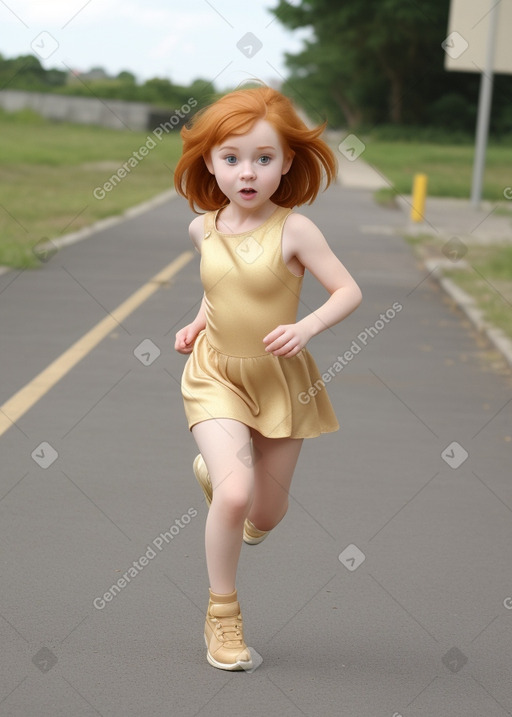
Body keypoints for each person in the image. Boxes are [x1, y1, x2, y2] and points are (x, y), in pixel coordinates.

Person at [173, 86, 362, 671]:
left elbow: (349, 291)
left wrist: (306, 328)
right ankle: (222, 617)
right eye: (232, 159)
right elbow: (218, 288)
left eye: (263, 158)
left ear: (286, 163)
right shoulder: (202, 230)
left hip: (282, 379)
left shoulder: (296, 231)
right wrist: (197, 321)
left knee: (265, 515)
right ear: (210, 162)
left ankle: (227, 483)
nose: (247, 173)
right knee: (233, 494)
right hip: (215, 373)